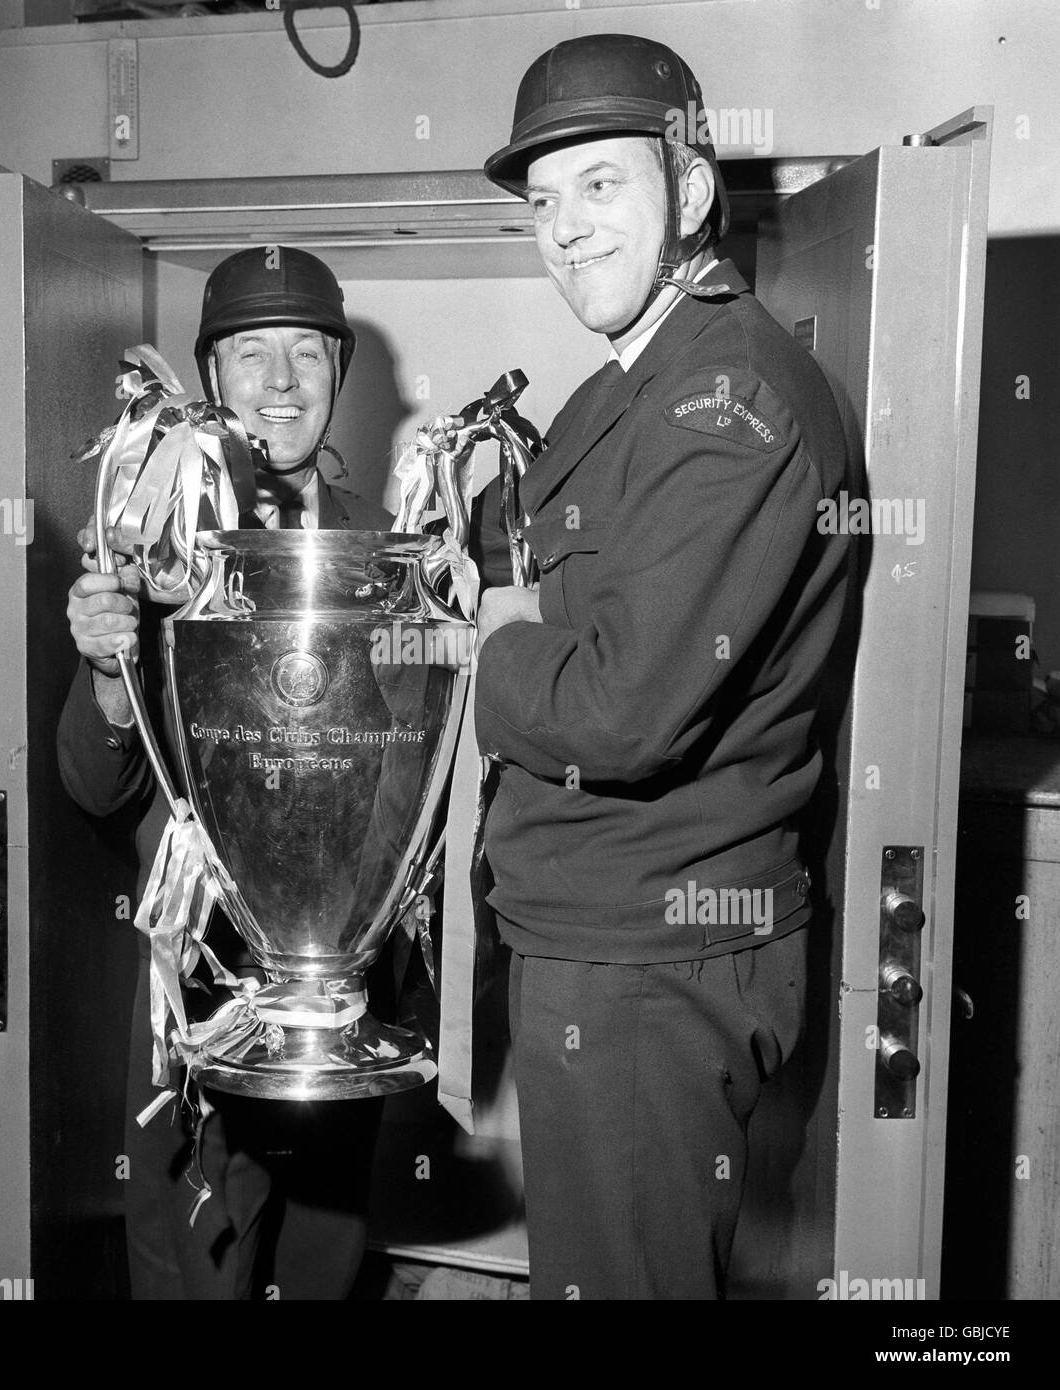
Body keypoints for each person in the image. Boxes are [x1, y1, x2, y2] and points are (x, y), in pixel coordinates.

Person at [472, 34, 851, 1298]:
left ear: (688, 191)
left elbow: (621, 711)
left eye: (599, 184)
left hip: (648, 951)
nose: (562, 227)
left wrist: (496, 643)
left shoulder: (724, 397)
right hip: (608, 929)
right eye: (541, 198)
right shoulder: (640, 379)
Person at [57, 247, 391, 1299]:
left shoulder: (389, 560)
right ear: (210, 376)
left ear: (338, 377)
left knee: (322, 1256)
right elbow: (92, 786)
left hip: (339, 981)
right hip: (194, 984)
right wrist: (109, 667)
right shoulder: (152, 551)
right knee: (190, 1259)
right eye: (252, 353)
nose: (281, 382)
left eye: (307, 354)